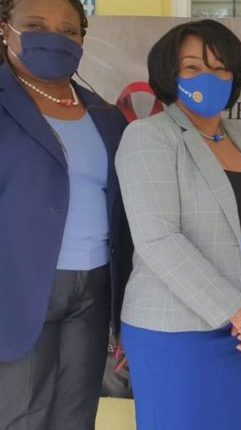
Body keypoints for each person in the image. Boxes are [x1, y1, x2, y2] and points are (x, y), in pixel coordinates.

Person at [115, 20, 241, 430]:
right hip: (176, 332)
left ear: (234, 76)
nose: (207, 77)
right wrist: (238, 313)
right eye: (192, 66)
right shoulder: (149, 136)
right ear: (169, 73)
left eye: (219, 67)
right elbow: (157, 238)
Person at [0, 0, 133, 428]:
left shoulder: (106, 115)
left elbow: (121, 212)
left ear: (82, 40)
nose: (54, 38)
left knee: (77, 415)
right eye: (36, 25)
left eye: (68, 31)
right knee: (22, 416)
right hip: (17, 289)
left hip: (94, 289)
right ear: (5, 29)